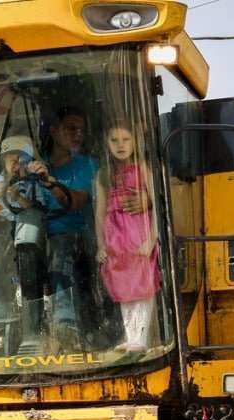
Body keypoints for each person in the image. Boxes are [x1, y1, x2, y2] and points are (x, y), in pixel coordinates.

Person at [26, 106, 99, 350]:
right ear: (54, 131)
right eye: (71, 128)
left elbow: (75, 201)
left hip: (77, 237)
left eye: (81, 130)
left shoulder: (87, 166)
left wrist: (50, 183)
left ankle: (65, 325)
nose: (78, 134)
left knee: (59, 247)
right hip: (37, 237)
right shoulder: (35, 167)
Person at [94, 123, 159, 352]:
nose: (120, 145)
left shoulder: (143, 168)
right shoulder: (104, 175)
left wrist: (151, 238)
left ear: (135, 142)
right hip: (116, 237)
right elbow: (100, 213)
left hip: (138, 233)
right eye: (114, 140)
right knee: (123, 286)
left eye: (125, 139)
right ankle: (131, 336)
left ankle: (141, 336)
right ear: (106, 144)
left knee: (142, 284)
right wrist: (101, 244)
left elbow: (158, 206)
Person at [0, 135, 41, 322]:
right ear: (3, 160)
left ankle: (32, 314)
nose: (17, 165)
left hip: (34, 233)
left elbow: (40, 210)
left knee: (27, 251)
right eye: (13, 160)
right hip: (5, 233)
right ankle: (2, 313)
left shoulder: (35, 182)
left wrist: (18, 197)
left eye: (22, 160)